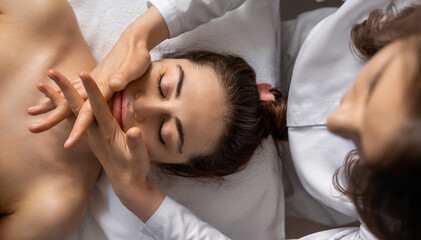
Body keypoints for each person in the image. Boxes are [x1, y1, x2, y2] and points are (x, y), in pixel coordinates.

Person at [33, 0, 421, 239]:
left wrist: (138, 194)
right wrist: (145, 31)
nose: (338, 118)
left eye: (167, 133)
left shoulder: (53, 208)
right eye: (371, 88)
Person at [0, 0, 286, 239]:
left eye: (164, 132)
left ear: (158, 164)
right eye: (162, 85)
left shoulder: (56, 206)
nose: (143, 108)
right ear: (157, 56)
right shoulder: (44, 15)